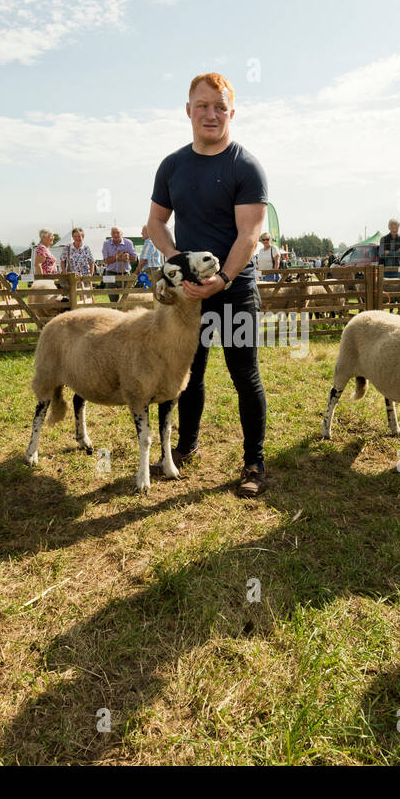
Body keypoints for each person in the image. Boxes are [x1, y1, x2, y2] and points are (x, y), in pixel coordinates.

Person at [145, 71, 270, 497]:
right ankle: (185, 446)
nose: (211, 114)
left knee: (245, 375)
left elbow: (248, 235)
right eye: (202, 106)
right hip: (187, 299)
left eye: (220, 107)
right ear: (188, 110)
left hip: (233, 290)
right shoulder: (173, 166)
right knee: (187, 373)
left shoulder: (245, 166)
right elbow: (155, 223)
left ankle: (254, 461)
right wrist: (176, 261)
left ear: (232, 113)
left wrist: (222, 278)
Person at [101, 226, 136, 301]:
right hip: (109, 273)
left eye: (118, 232)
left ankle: (124, 311)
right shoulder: (106, 243)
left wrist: (127, 256)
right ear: (111, 234)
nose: (116, 235)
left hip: (125, 273)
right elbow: (105, 260)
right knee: (112, 297)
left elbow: (134, 259)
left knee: (127, 297)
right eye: (113, 233)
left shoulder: (128, 243)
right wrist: (118, 257)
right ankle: (114, 311)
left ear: (122, 234)